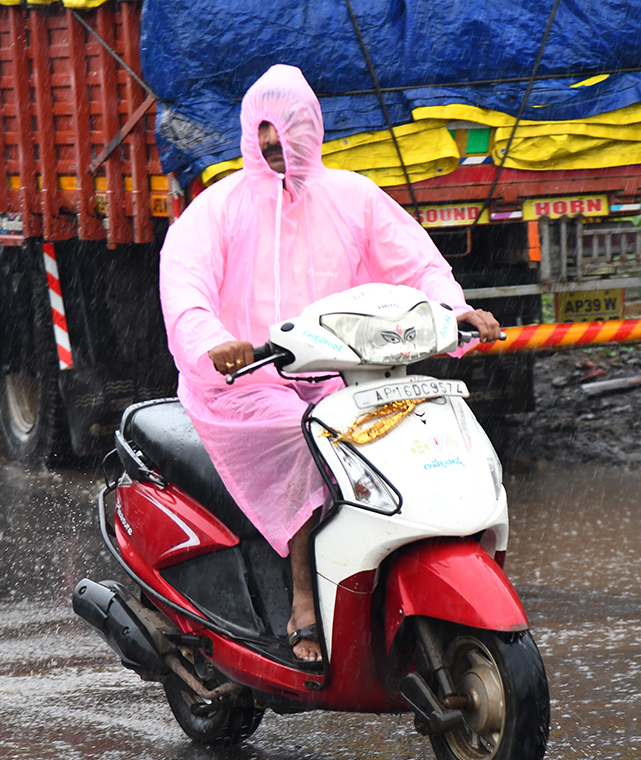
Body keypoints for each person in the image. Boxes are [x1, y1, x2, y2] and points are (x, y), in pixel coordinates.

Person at [159, 64, 500, 664]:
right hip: (246, 385)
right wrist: (217, 344)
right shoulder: (217, 210)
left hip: (345, 375)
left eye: (286, 127)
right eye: (264, 128)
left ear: (311, 129)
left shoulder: (353, 197)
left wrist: (454, 311)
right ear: (248, 131)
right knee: (304, 442)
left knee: (410, 431)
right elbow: (185, 290)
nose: (274, 142)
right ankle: (302, 602)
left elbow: (415, 263)